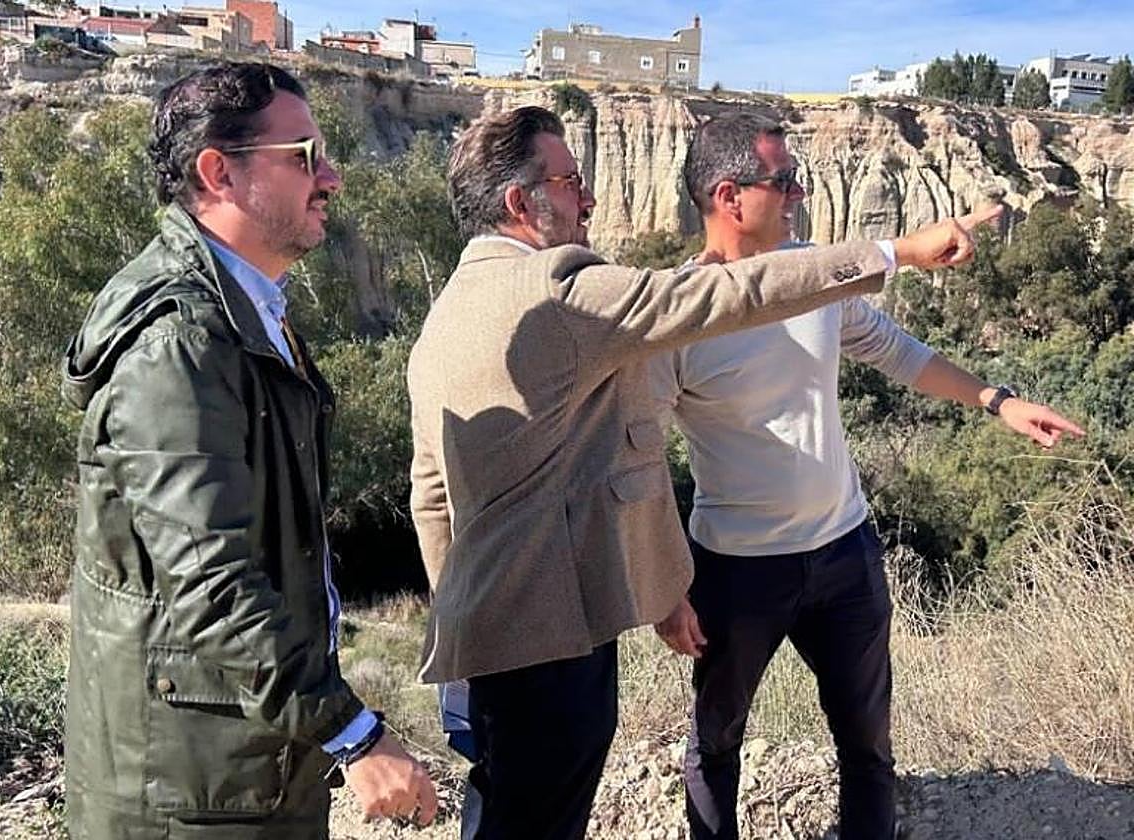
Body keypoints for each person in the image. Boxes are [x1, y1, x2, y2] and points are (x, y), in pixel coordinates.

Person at [405, 104, 999, 840]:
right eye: (571, 182)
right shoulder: (556, 286)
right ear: (519, 203)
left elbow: (431, 494)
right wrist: (897, 251)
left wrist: (462, 618)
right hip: (554, 635)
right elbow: (729, 294)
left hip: (482, 635)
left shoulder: (444, 317)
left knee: (502, 809)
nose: (588, 198)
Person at [647, 113, 1085, 840]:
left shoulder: (815, 276)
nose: (799, 193)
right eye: (784, 180)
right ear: (728, 197)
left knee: (868, 750)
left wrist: (998, 400)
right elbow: (639, 460)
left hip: (844, 556)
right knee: (716, 745)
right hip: (736, 571)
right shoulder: (680, 317)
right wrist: (664, 587)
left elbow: (896, 350)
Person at [61, 62, 437, 838]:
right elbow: (212, 583)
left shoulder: (244, 312)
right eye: (304, 156)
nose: (330, 178)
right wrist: (352, 734)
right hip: (189, 797)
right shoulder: (179, 344)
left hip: (240, 769)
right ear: (217, 172)